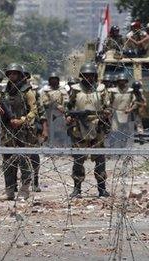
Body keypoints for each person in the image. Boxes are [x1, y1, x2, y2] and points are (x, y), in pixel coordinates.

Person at [65, 62, 110, 198]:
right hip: (79, 127)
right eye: (86, 75)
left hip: (97, 126)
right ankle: (77, 188)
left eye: (91, 75)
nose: (89, 78)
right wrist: (69, 117)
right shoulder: (75, 90)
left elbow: (107, 107)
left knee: (100, 159)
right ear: (81, 76)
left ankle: (101, 188)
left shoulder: (101, 89)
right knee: (79, 159)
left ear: (95, 76)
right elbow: (68, 106)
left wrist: (105, 114)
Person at [0, 63, 38, 200]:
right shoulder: (4, 91)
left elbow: (34, 111)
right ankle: (9, 191)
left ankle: (24, 190)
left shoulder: (27, 91)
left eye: (15, 73)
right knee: (8, 161)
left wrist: (22, 120)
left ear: (20, 75)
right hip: (7, 130)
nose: (12, 76)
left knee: (23, 160)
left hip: (22, 131)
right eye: (10, 73)